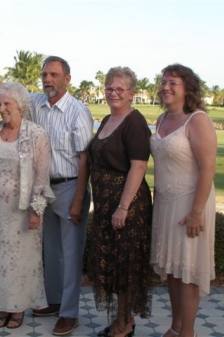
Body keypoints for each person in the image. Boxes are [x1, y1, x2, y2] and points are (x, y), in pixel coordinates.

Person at [0, 55, 93, 336]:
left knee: (70, 255)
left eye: (54, 75)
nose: (48, 79)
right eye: (45, 74)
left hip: (69, 186)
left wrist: (80, 198)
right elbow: (2, 89)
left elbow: (84, 158)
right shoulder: (36, 103)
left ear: (67, 79)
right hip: (41, 191)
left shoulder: (77, 111)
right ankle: (54, 301)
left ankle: (69, 313)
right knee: (52, 253)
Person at [0, 82, 54, 329]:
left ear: (20, 105)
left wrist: (36, 211)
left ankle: (17, 309)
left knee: (20, 261)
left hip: (22, 211)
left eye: (7, 103)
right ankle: (3, 305)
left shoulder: (36, 134)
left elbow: (42, 176)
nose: (2, 108)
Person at [150, 64, 216, 337]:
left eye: (173, 83)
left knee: (188, 273)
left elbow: (208, 168)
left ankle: (187, 332)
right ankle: (175, 327)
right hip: (166, 204)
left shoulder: (197, 119)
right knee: (173, 271)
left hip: (191, 204)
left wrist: (197, 212)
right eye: (164, 82)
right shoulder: (163, 119)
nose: (166, 87)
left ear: (187, 88)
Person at [87, 67, 153, 337]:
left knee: (125, 266)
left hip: (127, 207)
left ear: (132, 94)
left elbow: (138, 167)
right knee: (112, 265)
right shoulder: (107, 120)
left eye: (120, 89)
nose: (113, 93)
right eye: (109, 88)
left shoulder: (134, 122)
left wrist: (123, 207)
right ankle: (123, 321)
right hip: (106, 206)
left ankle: (124, 326)